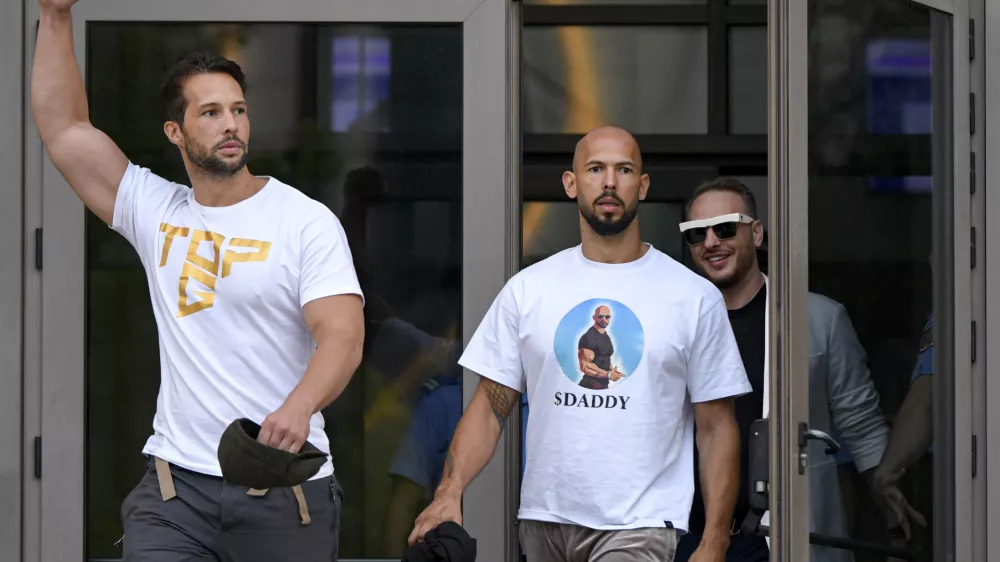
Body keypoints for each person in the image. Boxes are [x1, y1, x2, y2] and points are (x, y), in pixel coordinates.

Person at [31, 1, 365, 560]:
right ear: (176, 132)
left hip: (282, 489)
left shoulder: (303, 220)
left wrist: (300, 404)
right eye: (209, 112)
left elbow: (343, 335)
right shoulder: (157, 210)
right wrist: (55, 14)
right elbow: (64, 128)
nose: (230, 123)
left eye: (238, 109)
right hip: (175, 493)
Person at [408, 126, 752, 562]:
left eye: (624, 169)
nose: (610, 181)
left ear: (642, 186)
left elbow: (717, 427)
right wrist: (448, 492)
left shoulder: (692, 296)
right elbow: (490, 406)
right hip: (544, 523)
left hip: (639, 524)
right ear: (571, 184)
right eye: (595, 169)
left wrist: (715, 541)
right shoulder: (528, 290)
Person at [676, 178, 925, 562]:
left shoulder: (819, 319)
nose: (711, 242)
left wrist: (891, 509)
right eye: (697, 234)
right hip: (690, 538)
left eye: (725, 228)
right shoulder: (672, 323)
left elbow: (861, 424)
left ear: (756, 233)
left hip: (782, 535)